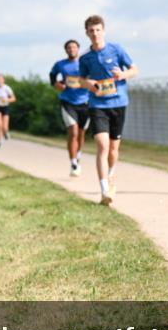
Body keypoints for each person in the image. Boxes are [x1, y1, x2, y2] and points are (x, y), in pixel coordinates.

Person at [78, 15, 138, 205]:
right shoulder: (85, 58)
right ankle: (104, 191)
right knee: (102, 146)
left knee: (113, 148)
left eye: (98, 30)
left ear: (103, 31)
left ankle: (111, 174)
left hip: (118, 103)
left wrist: (123, 74)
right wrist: (88, 83)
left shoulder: (116, 49)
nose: (95, 33)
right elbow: (81, 80)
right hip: (98, 105)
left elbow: (134, 69)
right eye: (91, 30)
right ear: (87, 33)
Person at [50, 40, 90, 177]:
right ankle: (73, 163)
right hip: (68, 102)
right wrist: (57, 85)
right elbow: (52, 77)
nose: (71, 49)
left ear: (78, 49)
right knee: (73, 132)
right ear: (66, 50)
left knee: (81, 134)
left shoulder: (85, 62)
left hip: (85, 102)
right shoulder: (60, 64)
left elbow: (95, 77)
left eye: (74, 47)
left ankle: (78, 155)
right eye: (69, 47)